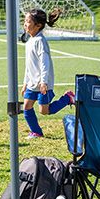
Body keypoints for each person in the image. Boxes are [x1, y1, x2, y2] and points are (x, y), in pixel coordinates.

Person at [21, 8, 75, 139]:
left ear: (38, 25)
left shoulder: (40, 41)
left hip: (42, 83)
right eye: (25, 21)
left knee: (44, 111)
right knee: (26, 107)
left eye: (28, 21)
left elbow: (44, 63)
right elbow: (29, 66)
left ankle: (68, 98)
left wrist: (44, 82)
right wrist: (25, 83)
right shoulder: (30, 41)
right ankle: (36, 132)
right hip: (32, 82)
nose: (25, 24)